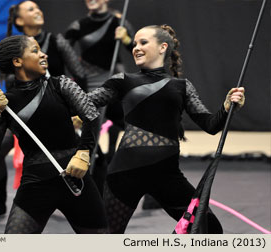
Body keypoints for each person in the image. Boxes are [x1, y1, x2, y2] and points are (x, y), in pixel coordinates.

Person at [87, 24, 245, 233]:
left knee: (210, 229)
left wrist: (226, 108)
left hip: (167, 176)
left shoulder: (182, 86)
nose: (136, 47)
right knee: (108, 237)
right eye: (134, 44)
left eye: (143, 42)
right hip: (124, 175)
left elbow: (211, 125)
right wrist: (56, 90)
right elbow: (85, 101)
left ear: (162, 47)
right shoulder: (123, 81)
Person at [0, 35, 108, 233]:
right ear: (18, 61)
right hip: (35, 185)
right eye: (35, 51)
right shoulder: (6, 103)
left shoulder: (61, 85)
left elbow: (92, 116)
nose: (44, 54)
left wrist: (83, 152)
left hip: (76, 181)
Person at [0, 0, 87, 220]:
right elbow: (8, 83)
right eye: (31, 9)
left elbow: (79, 74)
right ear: (19, 20)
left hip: (57, 110)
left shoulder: (56, 41)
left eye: (38, 7)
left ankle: (87, 202)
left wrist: (78, 110)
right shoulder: (10, 49)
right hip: (24, 114)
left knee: (92, 152)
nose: (38, 11)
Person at [65, 0, 134, 194]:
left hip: (115, 80)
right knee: (89, 131)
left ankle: (113, 169)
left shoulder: (120, 22)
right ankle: (90, 182)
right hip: (89, 82)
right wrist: (77, 74)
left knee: (122, 123)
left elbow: (139, 49)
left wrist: (126, 39)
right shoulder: (78, 25)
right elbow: (63, 51)